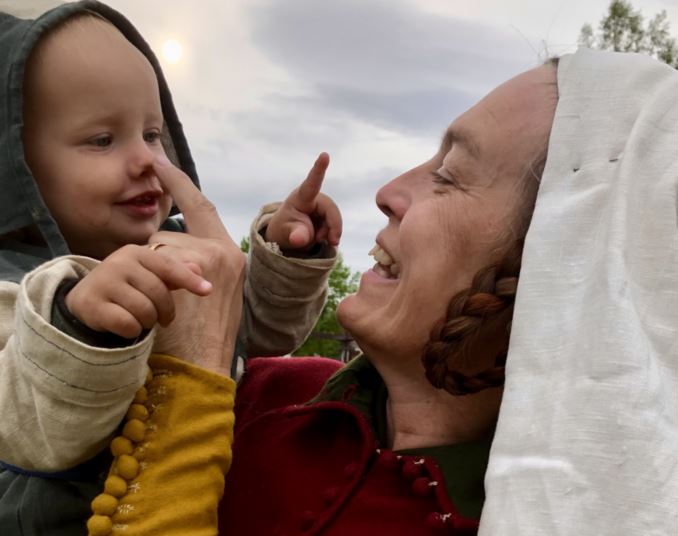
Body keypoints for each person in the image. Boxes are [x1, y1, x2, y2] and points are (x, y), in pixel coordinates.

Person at [90, 47, 678, 535]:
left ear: (555, 261)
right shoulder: (264, 395)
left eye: (448, 176)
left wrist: (187, 385)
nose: (388, 190)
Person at [0, 1, 341, 533]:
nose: (147, 161)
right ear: (17, 167)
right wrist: (81, 325)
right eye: (103, 140)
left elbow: (259, 332)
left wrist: (285, 256)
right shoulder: (14, 286)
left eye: (153, 135)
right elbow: (32, 430)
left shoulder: (176, 248)